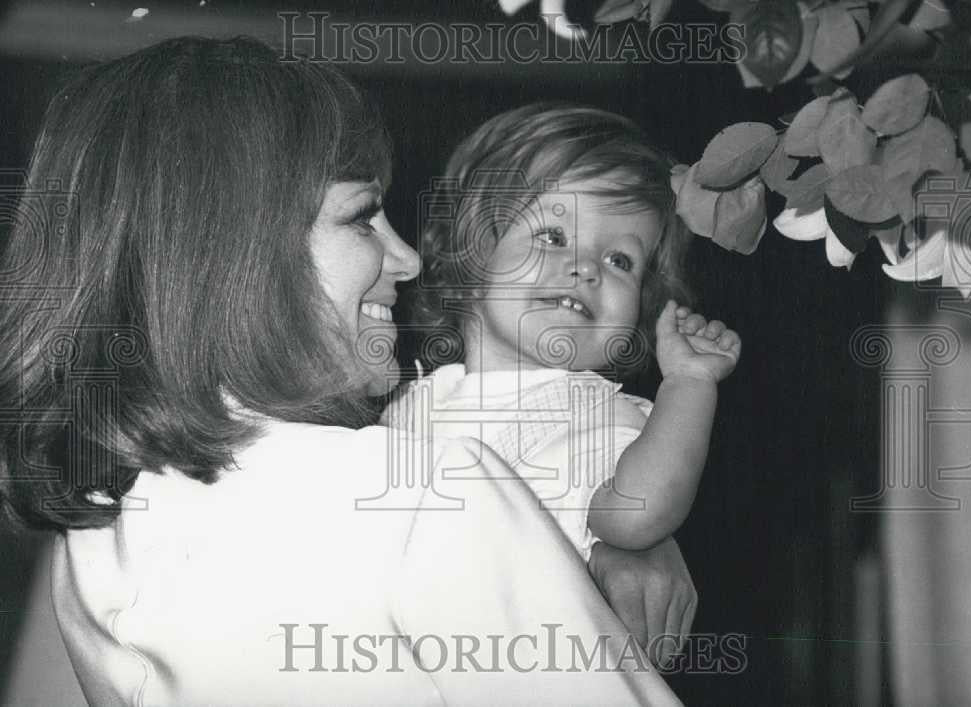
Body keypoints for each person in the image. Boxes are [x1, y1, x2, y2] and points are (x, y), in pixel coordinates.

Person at [0, 37, 695, 705]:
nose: (409, 259)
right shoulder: (426, 495)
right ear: (239, 248)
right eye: (363, 219)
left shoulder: (92, 535)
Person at [385, 104, 740, 560]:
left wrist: (689, 384)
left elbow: (638, 514)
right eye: (553, 237)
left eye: (620, 261)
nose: (587, 267)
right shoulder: (412, 405)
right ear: (473, 247)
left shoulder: (589, 414)